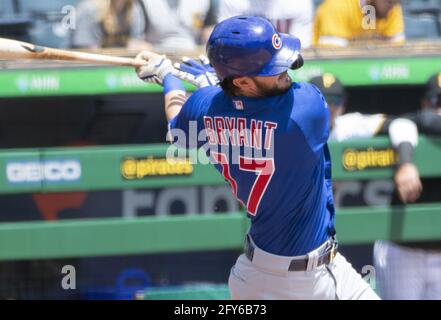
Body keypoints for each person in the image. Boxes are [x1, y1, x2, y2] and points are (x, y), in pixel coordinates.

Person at [134, 16, 379, 299]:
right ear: (242, 81)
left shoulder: (205, 108)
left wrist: (168, 78)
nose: (285, 69)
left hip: (254, 277)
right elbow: (260, 106)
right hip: (311, 282)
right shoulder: (305, 110)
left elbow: (176, 124)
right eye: (271, 67)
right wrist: (211, 83)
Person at [373, 73, 441, 300]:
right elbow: (404, 122)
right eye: (436, 101)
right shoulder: (412, 126)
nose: (440, 108)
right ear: (425, 102)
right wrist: (406, 163)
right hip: (404, 251)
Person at [309, 74, 423, 204]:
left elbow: (402, 124)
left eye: (335, 101)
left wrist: (405, 164)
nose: (329, 107)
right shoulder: (293, 129)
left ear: (343, 104)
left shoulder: (347, 126)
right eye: (322, 100)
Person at [216, 0, 314, 48]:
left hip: (285, 61)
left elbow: (300, 47)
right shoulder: (232, 2)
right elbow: (226, 43)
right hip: (243, 61)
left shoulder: (300, 2)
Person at [313, 0, 405, 47]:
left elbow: (397, 51)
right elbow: (332, 56)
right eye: (389, 1)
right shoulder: (336, 6)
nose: (393, 6)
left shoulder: (392, 8)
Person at [71, 0, 152, 49]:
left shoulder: (134, 9)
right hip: (87, 69)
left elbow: (136, 44)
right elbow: (87, 50)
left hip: (119, 68)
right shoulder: (89, 9)